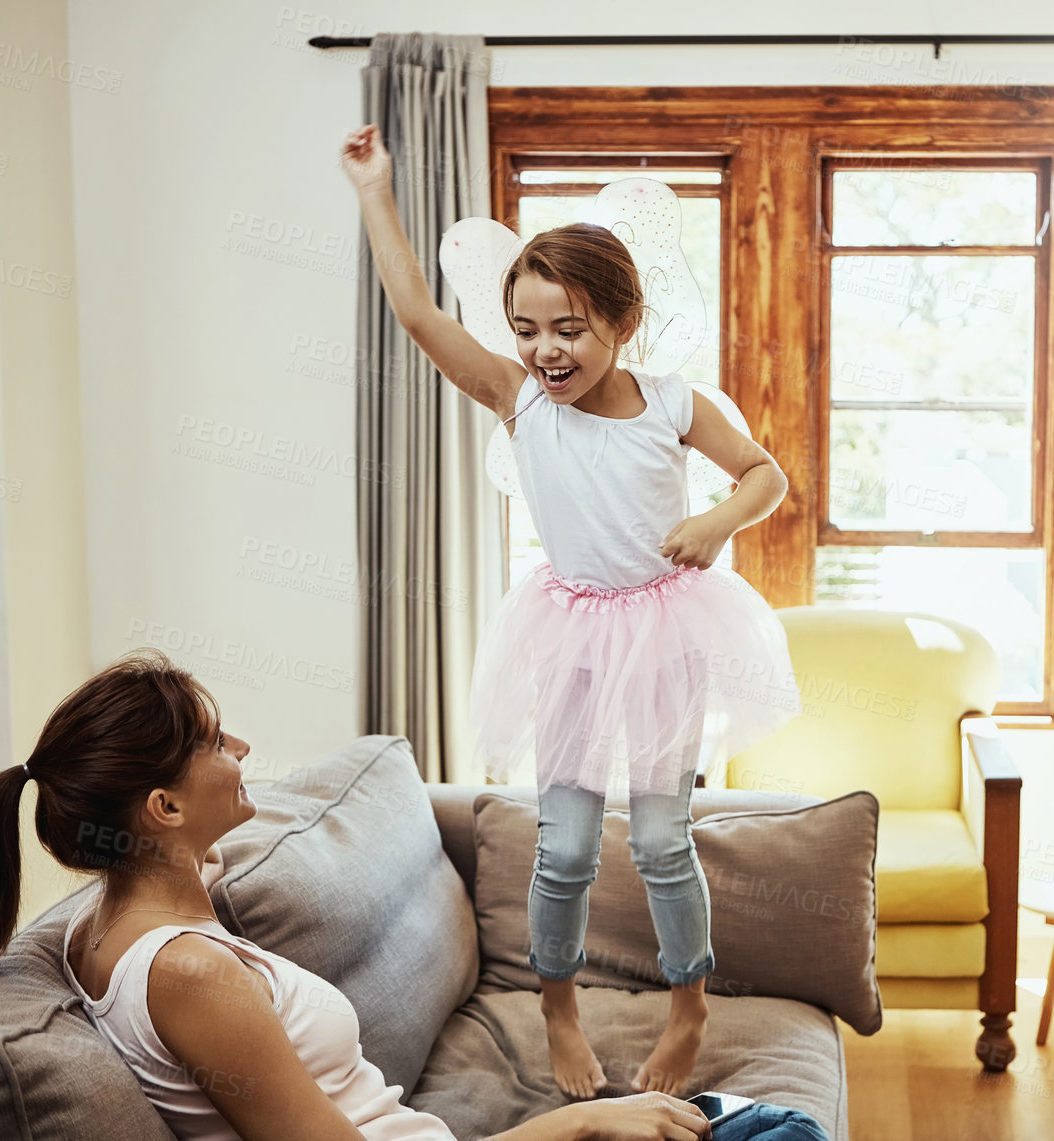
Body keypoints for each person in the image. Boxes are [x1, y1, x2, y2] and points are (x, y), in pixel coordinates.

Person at [339, 122, 802, 1103]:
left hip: (667, 629)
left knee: (663, 838)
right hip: (575, 636)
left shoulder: (675, 404)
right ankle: (557, 1007)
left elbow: (766, 475)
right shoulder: (519, 402)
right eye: (526, 328)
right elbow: (419, 315)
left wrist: (717, 519)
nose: (545, 350)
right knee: (570, 844)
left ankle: (688, 1007)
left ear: (623, 323)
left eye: (570, 328)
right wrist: (375, 188)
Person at [0, 649, 826, 1140]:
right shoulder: (187, 972)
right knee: (777, 1135)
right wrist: (579, 1124)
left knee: (751, 1125)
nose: (240, 746)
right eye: (212, 741)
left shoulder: (113, 918)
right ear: (161, 806)